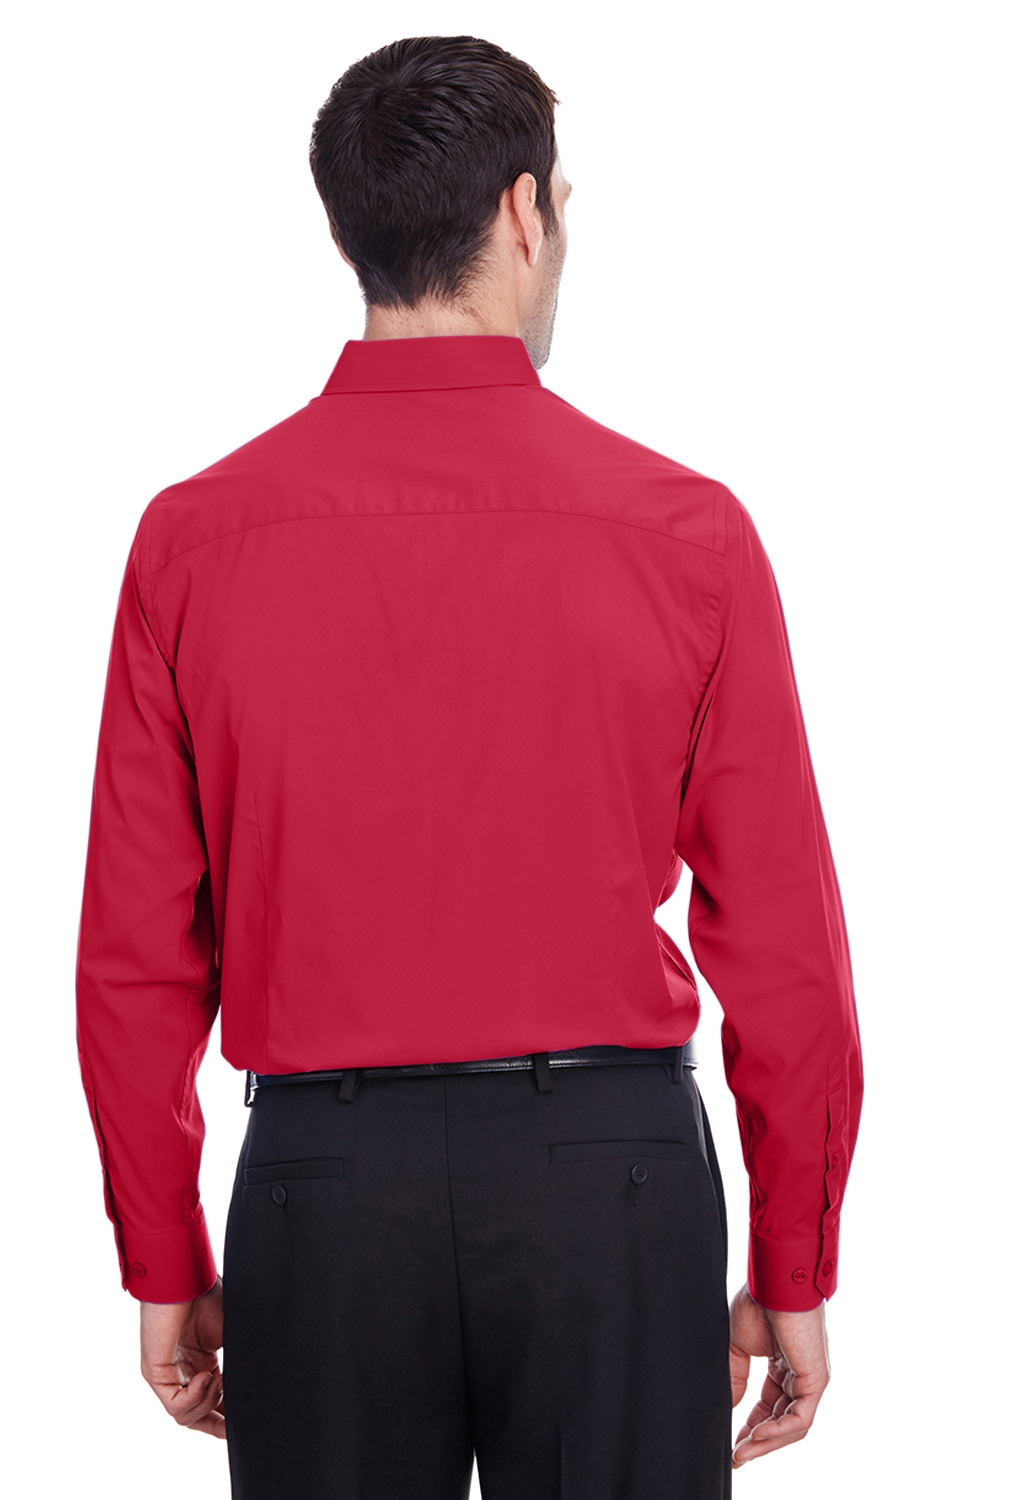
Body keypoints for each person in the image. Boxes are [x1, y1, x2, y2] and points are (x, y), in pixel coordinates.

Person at [75, 33, 864, 1499]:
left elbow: (133, 955)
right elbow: (786, 949)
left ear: (347, 233)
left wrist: (164, 1257)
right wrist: (796, 1261)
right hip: (613, 1190)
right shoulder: (687, 535)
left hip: (321, 1198)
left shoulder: (192, 543)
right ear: (523, 212)